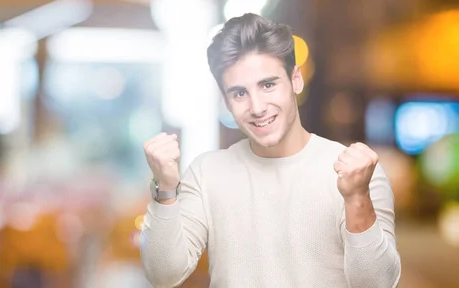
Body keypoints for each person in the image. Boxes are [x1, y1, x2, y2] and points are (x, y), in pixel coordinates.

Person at [140, 13, 401, 288]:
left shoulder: (356, 173)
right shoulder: (207, 173)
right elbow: (163, 274)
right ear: (226, 101)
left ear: (296, 80)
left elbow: (379, 284)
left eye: (268, 85)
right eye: (239, 93)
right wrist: (166, 189)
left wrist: (357, 198)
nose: (257, 107)